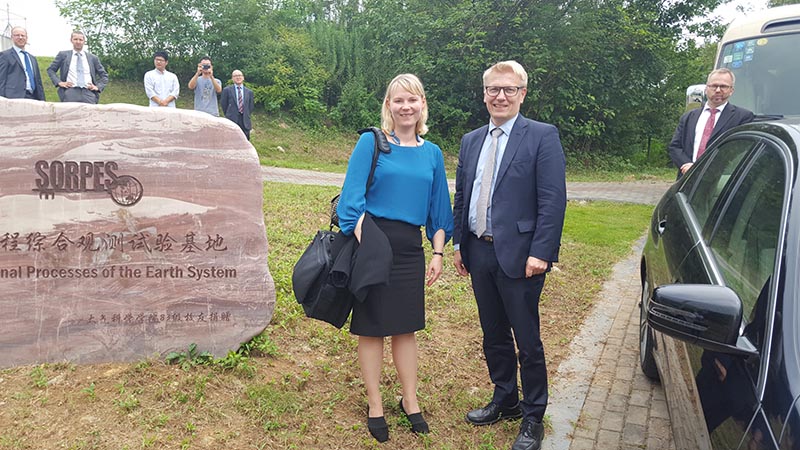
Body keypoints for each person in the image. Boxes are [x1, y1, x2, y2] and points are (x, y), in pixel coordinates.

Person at [452, 60, 566, 450]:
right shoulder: (471, 140)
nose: (500, 96)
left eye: (509, 89)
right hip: (479, 252)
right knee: (493, 334)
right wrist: (458, 244)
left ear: (522, 93)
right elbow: (463, 196)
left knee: (527, 340)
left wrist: (542, 253)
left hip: (522, 258)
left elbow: (552, 201)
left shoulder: (541, 136)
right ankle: (505, 399)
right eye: (493, 89)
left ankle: (534, 416)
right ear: (484, 93)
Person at [336, 73, 453, 443]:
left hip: (409, 250)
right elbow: (351, 200)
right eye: (398, 100)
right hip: (372, 242)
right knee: (371, 327)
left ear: (422, 106)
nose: (406, 107)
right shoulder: (372, 143)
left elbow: (439, 209)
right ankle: (375, 403)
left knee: (405, 326)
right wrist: (368, 245)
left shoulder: (432, 153)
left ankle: (410, 399)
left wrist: (437, 252)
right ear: (388, 105)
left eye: (413, 100)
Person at [668, 68, 754, 177]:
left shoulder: (742, 117)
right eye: (713, 86)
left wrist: (706, 170)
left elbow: (739, 150)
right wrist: (686, 164)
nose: (718, 90)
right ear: (706, 89)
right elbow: (675, 146)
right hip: (686, 179)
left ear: (731, 90)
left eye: (723, 86)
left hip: (720, 181)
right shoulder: (689, 117)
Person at [46, 31, 109, 104]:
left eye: (80, 40)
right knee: (69, 114)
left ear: (84, 41)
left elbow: (104, 75)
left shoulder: (93, 58)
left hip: (88, 93)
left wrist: (98, 87)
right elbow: (51, 70)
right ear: (71, 40)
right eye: (75, 39)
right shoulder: (63, 55)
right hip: (70, 92)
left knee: (90, 114)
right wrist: (59, 82)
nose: (78, 42)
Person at [0, 26, 45, 100]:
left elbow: (38, 82)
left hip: (33, 97)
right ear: (12, 37)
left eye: (23, 35)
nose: (20, 37)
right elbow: (1, 79)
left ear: (26, 38)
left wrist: (42, 100)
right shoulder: (5, 56)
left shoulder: (32, 58)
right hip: (13, 98)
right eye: (17, 35)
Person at [220, 70, 254, 139]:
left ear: (243, 77)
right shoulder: (227, 90)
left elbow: (251, 106)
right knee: (231, 140)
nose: (238, 77)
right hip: (232, 119)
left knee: (245, 140)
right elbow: (224, 104)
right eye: (235, 76)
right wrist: (229, 114)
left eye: (239, 75)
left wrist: (246, 114)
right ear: (232, 78)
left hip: (245, 120)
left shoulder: (249, 92)